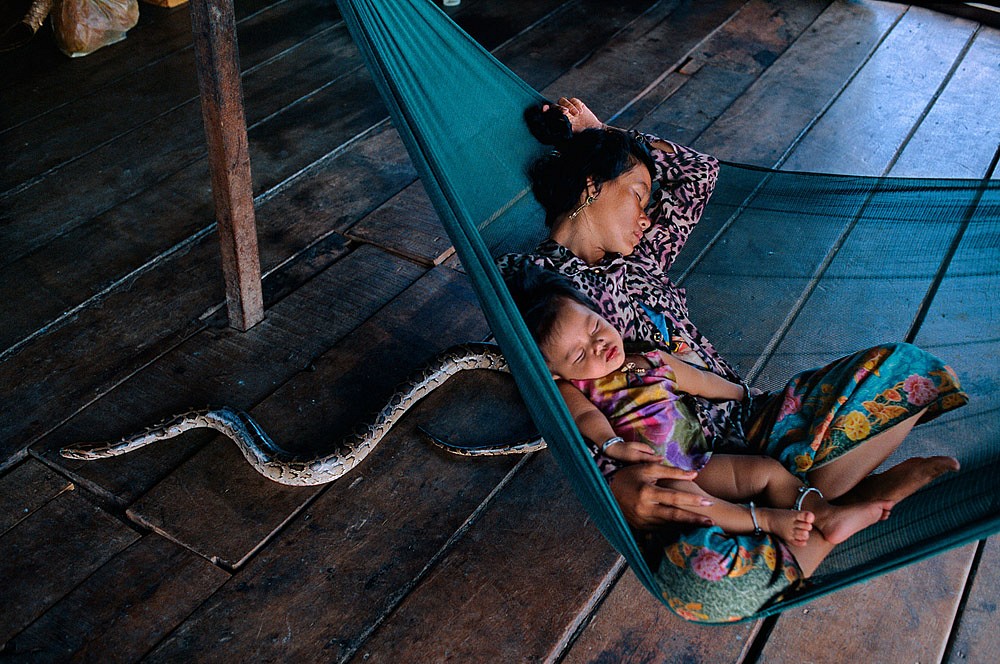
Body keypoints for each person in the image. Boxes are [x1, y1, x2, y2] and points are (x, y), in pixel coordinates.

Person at [497, 97, 970, 621]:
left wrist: (605, 133)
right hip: (684, 471)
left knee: (911, 370)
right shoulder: (533, 279)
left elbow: (699, 174)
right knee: (701, 580)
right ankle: (833, 510)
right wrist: (612, 483)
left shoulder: (641, 256)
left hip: (754, 419)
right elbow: (549, 390)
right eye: (637, 195)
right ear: (592, 187)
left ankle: (822, 516)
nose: (647, 216)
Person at [507, 265, 899, 574]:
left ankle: (826, 516)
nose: (598, 345)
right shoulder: (575, 390)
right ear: (555, 372)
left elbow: (703, 382)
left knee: (766, 472)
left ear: (598, 312)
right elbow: (586, 417)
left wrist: (745, 394)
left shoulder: (649, 359)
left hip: (703, 458)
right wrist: (613, 445)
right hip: (665, 476)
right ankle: (770, 521)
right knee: (703, 507)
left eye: (594, 327)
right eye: (579, 356)